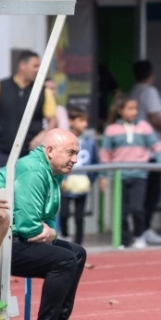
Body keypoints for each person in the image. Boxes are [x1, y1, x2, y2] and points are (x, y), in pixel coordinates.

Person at [0, 129, 94, 320]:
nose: (75, 159)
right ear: (49, 151)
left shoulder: (53, 173)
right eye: (71, 153)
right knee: (64, 260)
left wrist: (50, 233)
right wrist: (48, 233)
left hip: (12, 238)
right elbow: (29, 227)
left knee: (77, 254)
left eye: (77, 153)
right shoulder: (35, 171)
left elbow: (46, 221)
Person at [99, 95, 161, 249]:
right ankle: (124, 240)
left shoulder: (144, 127)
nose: (134, 112)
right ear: (120, 110)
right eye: (130, 108)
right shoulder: (111, 130)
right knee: (121, 211)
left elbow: (156, 145)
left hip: (140, 174)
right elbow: (105, 154)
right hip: (120, 176)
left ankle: (139, 235)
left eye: (135, 108)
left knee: (138, 208)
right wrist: (103, 176)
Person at [130, 60, 161, 246]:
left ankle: (139, 230)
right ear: (151, 74)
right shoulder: (149, 91)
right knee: (151, 193)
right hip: (151, 148)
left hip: (137, 148)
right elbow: (155, 117)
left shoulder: (133, 91)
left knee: (141, 193)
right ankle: (144, 229)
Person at [0, 50, 57, 169]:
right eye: (35, 66)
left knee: (30, 186)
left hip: (32, 153)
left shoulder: (43, 91)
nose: (38, 70)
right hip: (6, 153)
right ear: (22, 66)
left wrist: (43, 135)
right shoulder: (1, 86)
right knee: (1, 186)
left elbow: (53, 120)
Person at [59, 105, 99, 245]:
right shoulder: (62, 141)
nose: (85, 124)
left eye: (85, 121)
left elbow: (95, 162)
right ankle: (65, 235)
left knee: (79, 217)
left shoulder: (89, 142)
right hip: (66, 185)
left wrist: (90, 179)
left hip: (82, 184)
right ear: (71, 121)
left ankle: (78, 242)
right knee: (63, 213)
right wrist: (61, 180)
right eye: (81, 120)